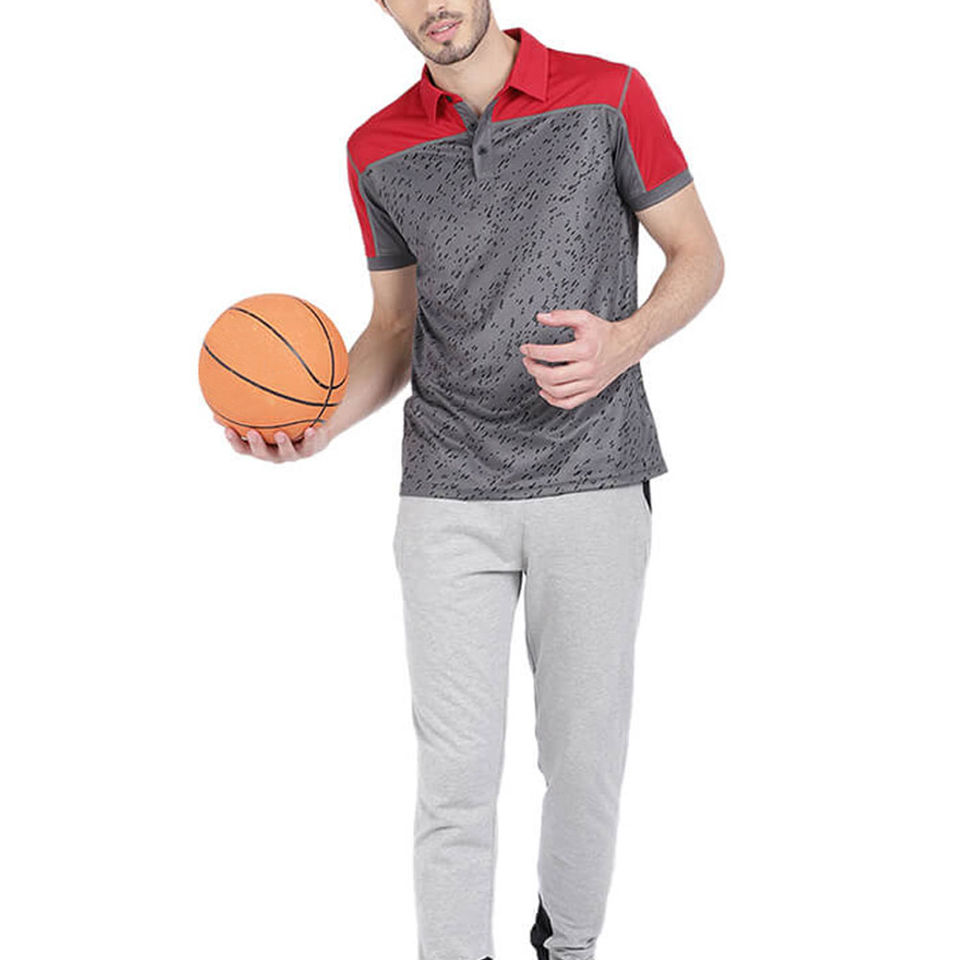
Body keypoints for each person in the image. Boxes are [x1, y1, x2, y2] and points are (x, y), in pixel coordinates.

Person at [223, 3, 724, 958]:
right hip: (447, 488)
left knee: (583, 762)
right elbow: (392, 327)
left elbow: (699, 255)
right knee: (453, 779)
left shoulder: (611, 93)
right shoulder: (375, 148)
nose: (431, 4)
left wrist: (623, 343)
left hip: (593, 473)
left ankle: (568, 946)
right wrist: (318, 427)